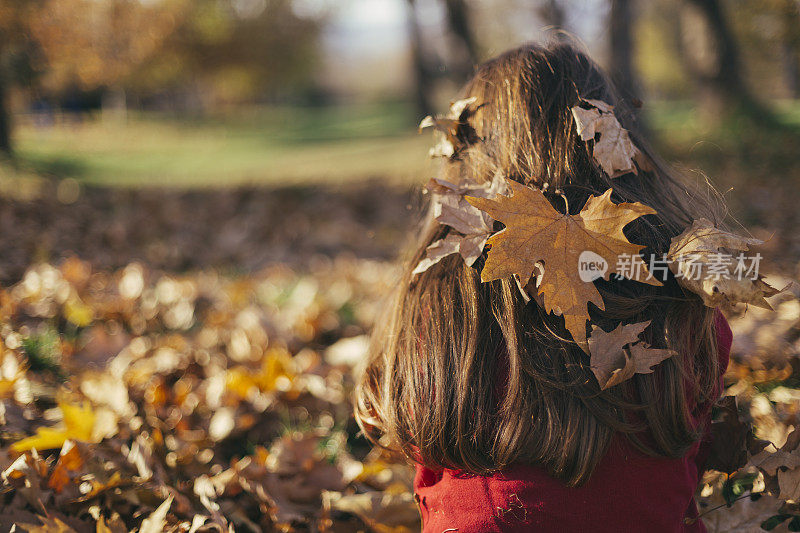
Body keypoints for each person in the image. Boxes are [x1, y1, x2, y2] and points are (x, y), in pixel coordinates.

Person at [354, 42, 732, 532]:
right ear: (616, 140)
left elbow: (416, 437)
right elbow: (688, 450)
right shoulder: (676, 291)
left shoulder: (434, 301)